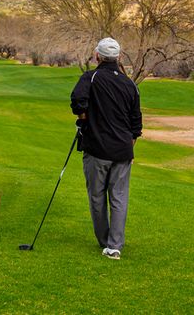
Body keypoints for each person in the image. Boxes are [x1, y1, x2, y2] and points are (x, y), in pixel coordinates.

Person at [70, 37, 142, 260]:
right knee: (119, 197)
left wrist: (84, 120)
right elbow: (136, 124)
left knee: (97, 196)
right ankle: (114, 245)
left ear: (97, 56)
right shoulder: (130, 84)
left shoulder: (90, 77)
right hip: (122, 150)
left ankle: (104, 240)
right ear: (119, 57)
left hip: (96, 150)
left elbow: (77, 101)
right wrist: (129, 147)